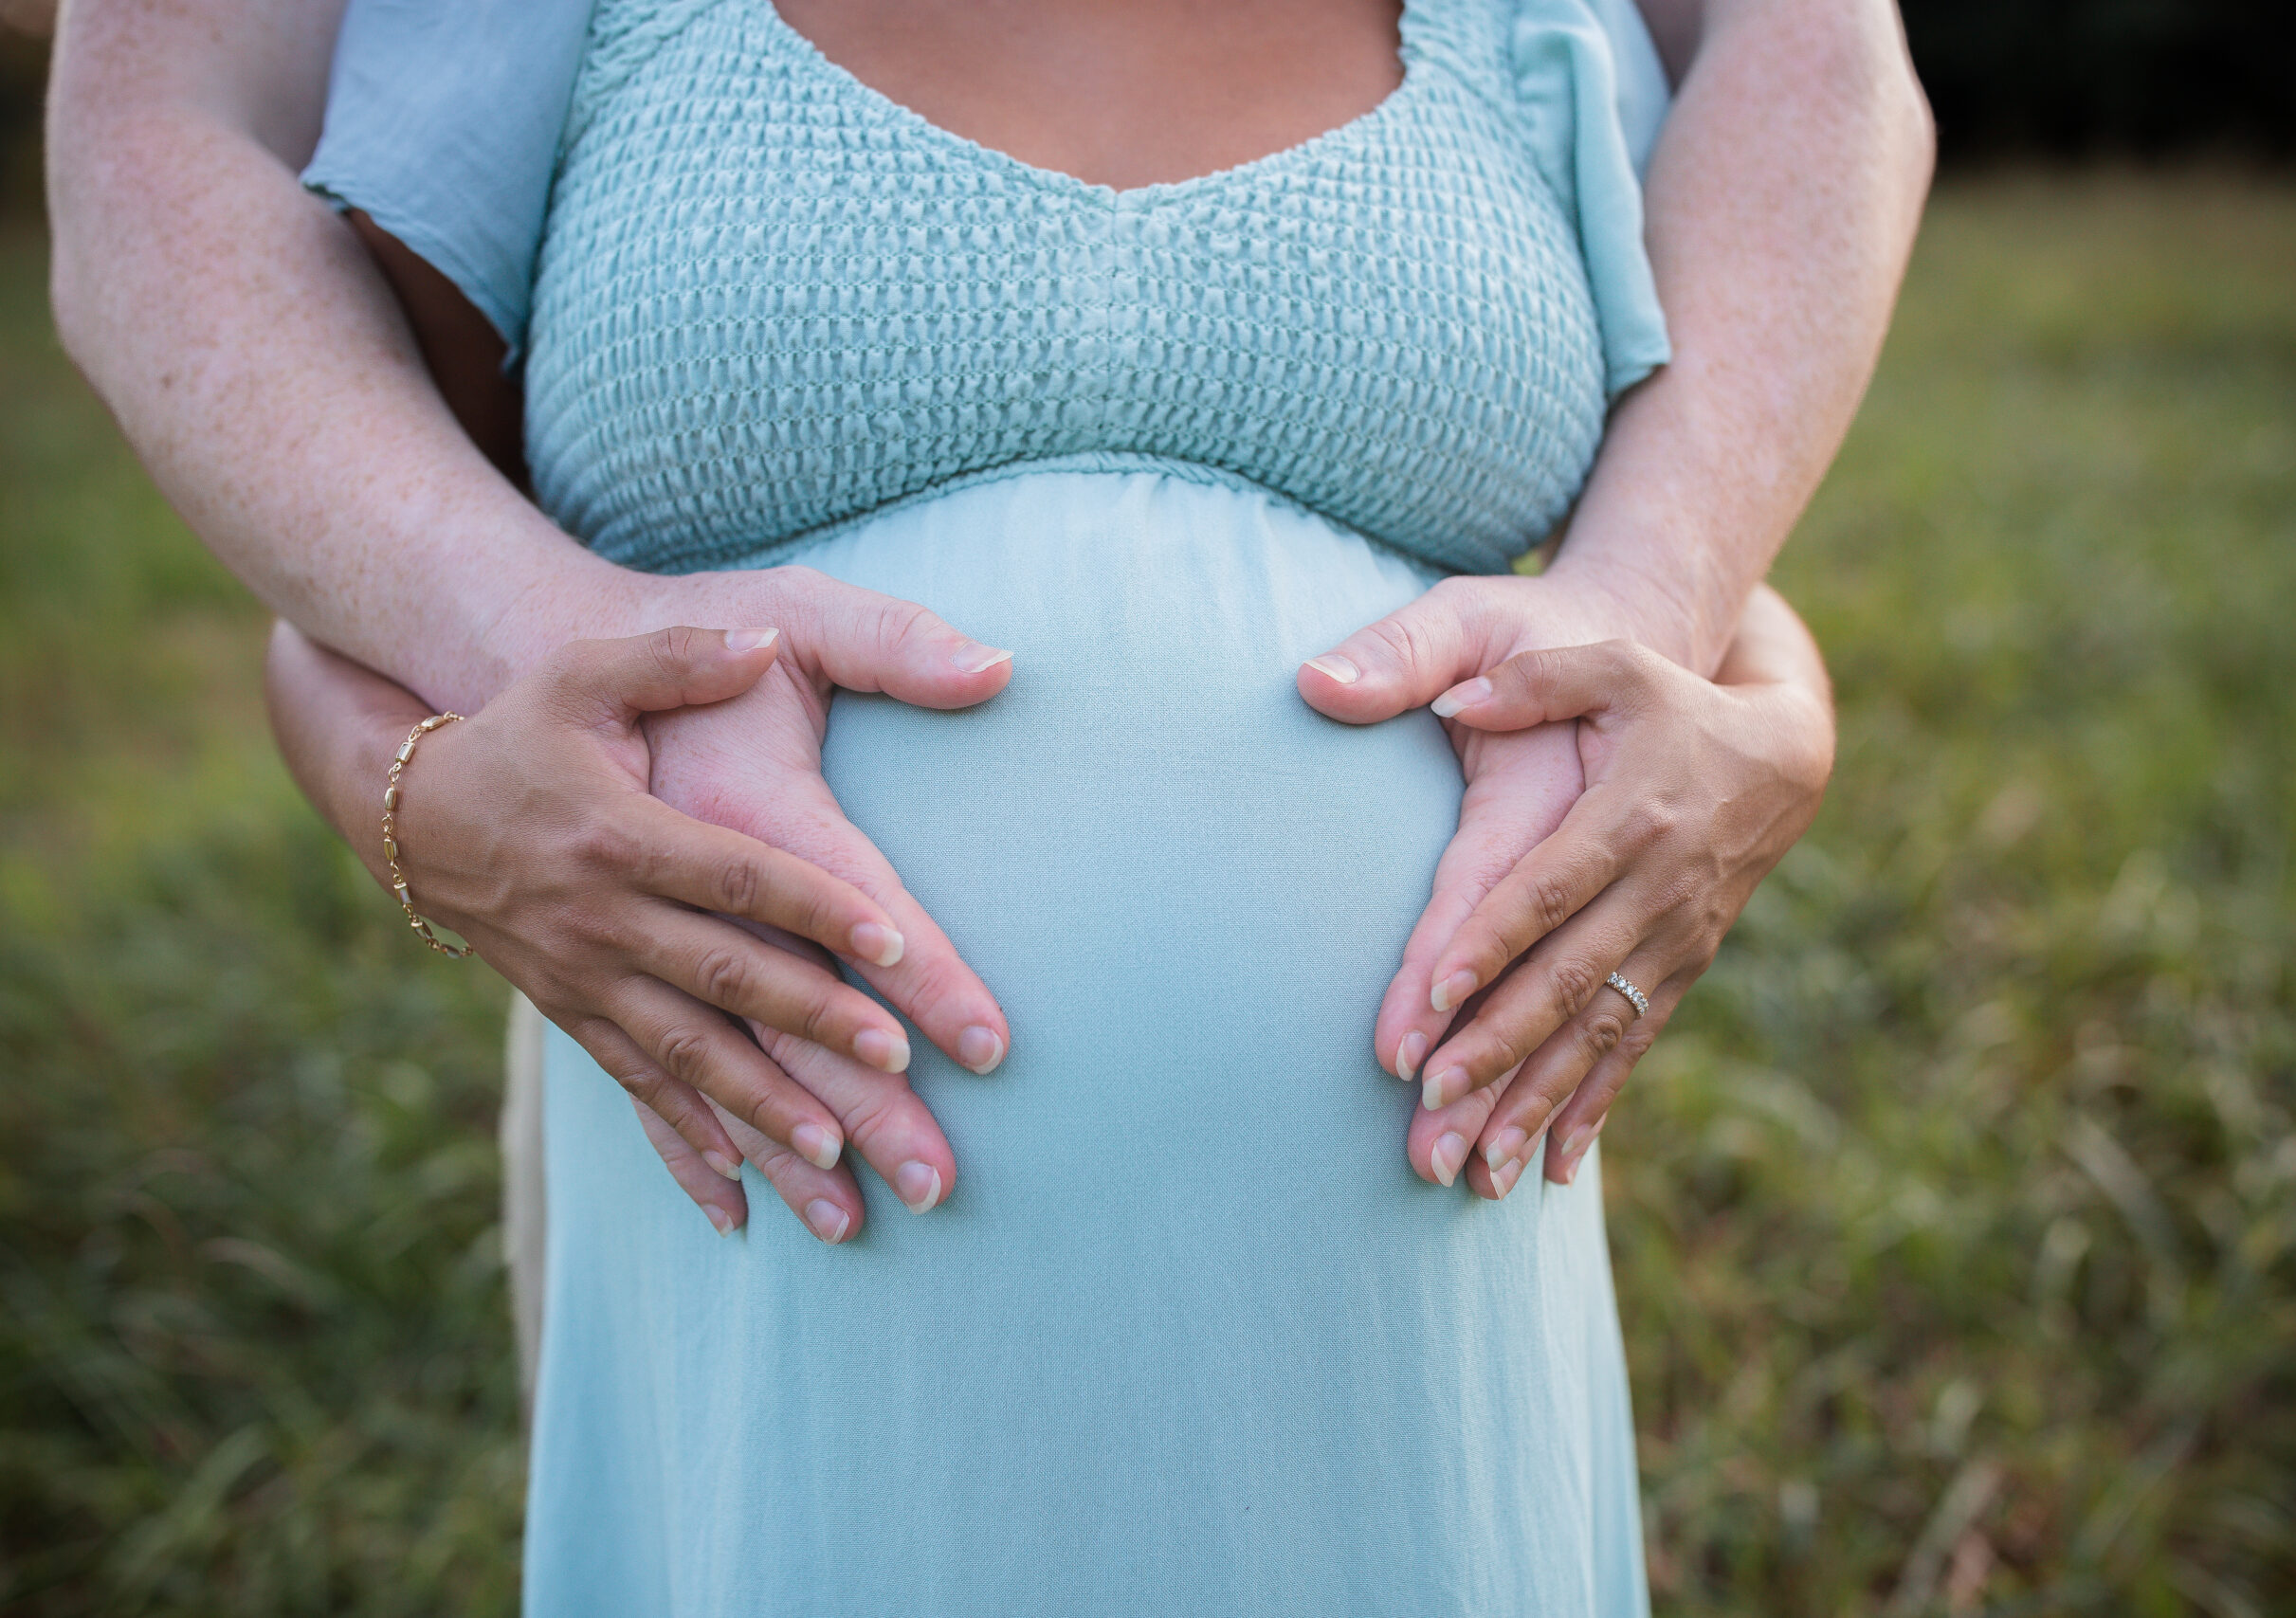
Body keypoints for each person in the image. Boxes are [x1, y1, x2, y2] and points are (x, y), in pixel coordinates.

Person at [47, 0, 1931, 1609]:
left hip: (1395, 1363)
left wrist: (1713, 655)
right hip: (795, 1288)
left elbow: (1818, 61)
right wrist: (437, 750)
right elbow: (198, 219)